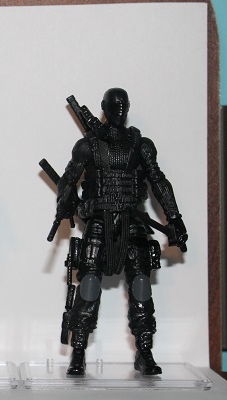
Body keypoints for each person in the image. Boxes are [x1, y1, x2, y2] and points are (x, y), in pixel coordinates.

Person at [55, 88, 187, 376]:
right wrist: (67, 204)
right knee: (89, 284)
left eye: (123, 105)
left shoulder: (141, 145)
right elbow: (67, 180)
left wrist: (175, 218)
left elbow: (158, 181)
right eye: (114, 106)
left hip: (132, 219)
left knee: (141, 284)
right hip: (99, 221)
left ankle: (144, 350)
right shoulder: (88, 145)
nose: (119, 110)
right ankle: (79, 351)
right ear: (103, 107)